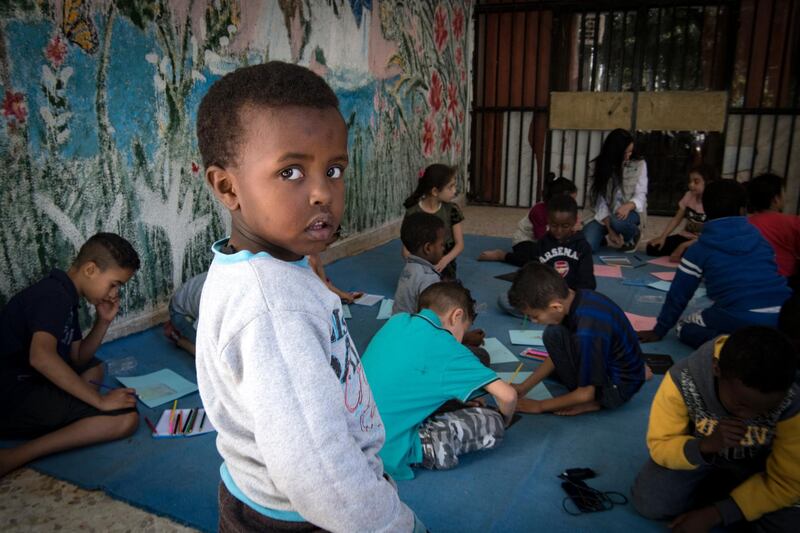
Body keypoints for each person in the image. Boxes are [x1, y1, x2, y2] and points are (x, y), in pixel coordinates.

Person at [194, 61, 421, 532]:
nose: (323, 193)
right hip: (304, 517)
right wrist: (394, 524)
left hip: (258, 492)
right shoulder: (275, 311)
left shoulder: (255, 265)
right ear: (227, 187)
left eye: (334, 169)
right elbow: (321, 475)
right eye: (291, 171)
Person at [631, 326, 800, 532]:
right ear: (716, 368)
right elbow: (660, 444)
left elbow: (788, 481)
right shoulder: (683, 379)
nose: (749, 417)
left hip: (760, 469)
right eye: (741, 404)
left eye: (767, 409)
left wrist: (717, 513)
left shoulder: (793, 401)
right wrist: (705, 445)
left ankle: (726, 497)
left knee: (789, 524)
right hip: (701, 458)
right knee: (650, 502)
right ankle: (725, 493)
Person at [0, 233, 140, 478]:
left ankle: (74, 415)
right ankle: (14, 456)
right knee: (125, 419)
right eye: (114, 284)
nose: (114, 293)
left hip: (29, 383)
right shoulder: (53, 296)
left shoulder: (67, 295)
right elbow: (41, 358)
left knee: (95, 367)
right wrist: (100, 402)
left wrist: (103, 322)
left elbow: (77, 358)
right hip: (11, 396)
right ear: (90, 269)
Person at [362, 281, 516, 480]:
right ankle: (417, 449)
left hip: (356, 433)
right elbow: (509, 396)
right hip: (386, 451)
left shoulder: (397, 320)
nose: (460, 339)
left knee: (477, 358)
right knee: (492, 423)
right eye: (464, 328)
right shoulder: (450, 350)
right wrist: (505, 419)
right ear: (457, 316)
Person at [638, 180, 791, 349]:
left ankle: (735, 345)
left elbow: (679, 294)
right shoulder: (761, 240)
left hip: (740, 317)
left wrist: (659, 330)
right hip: (783, 314)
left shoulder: (700, 248)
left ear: (706, 210)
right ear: (743, 210)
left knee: (684, 327)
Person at [507, 262, 646, 416]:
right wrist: (525, 387)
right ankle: (585, 394)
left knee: (556, 335)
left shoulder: (586, 332)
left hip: (617, 389)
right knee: (554, 333)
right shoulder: (577, 297)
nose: (534, 321)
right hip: (617, 369)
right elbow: (555, 357)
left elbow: (585, 393)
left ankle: (595, 403)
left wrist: (540, 405)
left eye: (535, 316)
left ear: (555, 307)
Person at [496, 194, 596, 317]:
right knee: (505, 300)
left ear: (574, 221)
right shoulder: (542, 243)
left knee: (591, 303)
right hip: (545, 297)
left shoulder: (582, 246)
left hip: (570, 297)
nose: (559, 231)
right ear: (548, 220)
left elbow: (588, 281)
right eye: (554, 225)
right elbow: (532, 273)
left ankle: (548, 315)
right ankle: (551, 314)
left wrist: (573, 295)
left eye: (565, 226)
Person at [478, 176, 579, 265]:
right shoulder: (538, 211)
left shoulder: (568, 212)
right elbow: (541, 237)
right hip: (526, 241)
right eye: (571, 201)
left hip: (551, 241)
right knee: (536, 261)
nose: (574, 204)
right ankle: (501, 255)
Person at [581, 129, 648, 253]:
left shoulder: (639, 164)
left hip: (628, 214)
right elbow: (598, 200)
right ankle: (601, 236)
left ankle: (632, 235)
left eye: (630, 152)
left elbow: (641, 194)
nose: (628, 156)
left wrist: (629, 205)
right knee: (587, 246)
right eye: (625, 153)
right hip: (603, 216)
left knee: (618, 221)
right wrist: (610, 230)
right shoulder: (596, 166)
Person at [402, 164, 464, 280]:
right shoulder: (413, 212)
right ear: (435, 191)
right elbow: (406, 250)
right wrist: (419, 266)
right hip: (420, 264)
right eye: (450, 187)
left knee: (443, 291)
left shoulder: (452, 210)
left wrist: (444, 261)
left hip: (443, 263)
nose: (454, 191)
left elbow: (459, 244)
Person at [646, 163, 718, 261]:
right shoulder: (689, 195)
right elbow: (676, 219)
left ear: (708, 183)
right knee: (652, 248)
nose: (691, 185)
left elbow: (711, 235)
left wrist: (684, 246)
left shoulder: (713, 203)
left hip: (701, 242)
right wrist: (663, 237)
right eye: (690, 181)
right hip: (684, 236)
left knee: (694, 253)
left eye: (696, 182)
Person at [746, 172, 800, 291]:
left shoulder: (745, 223)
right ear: (776, 199)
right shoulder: (791, 222)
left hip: (749, 281)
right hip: (783, 283)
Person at [393, 212, 445, 315]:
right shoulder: (429, 277)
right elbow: (432, 316)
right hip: (414, 328)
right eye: (441, 245)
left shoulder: (409, 266)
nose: (444, 248)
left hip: (398, 323)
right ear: (428, 248)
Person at [164, 271, 207, 356]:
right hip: (180, 312)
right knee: (211, 355)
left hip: (193, 303)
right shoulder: (217, 301)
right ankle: (177, 336)